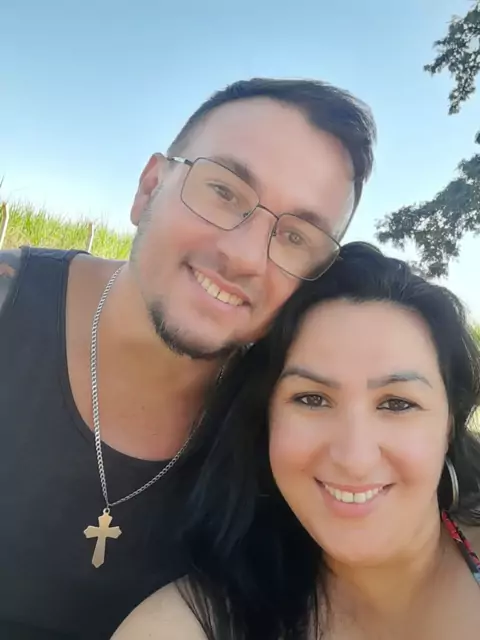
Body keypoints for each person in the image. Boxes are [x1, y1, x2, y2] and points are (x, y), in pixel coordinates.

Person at [0, 78, 376, 638]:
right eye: (223, 191)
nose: (245, 257)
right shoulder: (8, 305)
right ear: (149, 188)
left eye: (296, 237)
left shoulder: (292, 425)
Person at [114, 242, 480, 640]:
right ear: (266, 417)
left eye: (397, 403)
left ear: (449, 423)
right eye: (312, 399)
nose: (354, 458)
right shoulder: (190, 625)